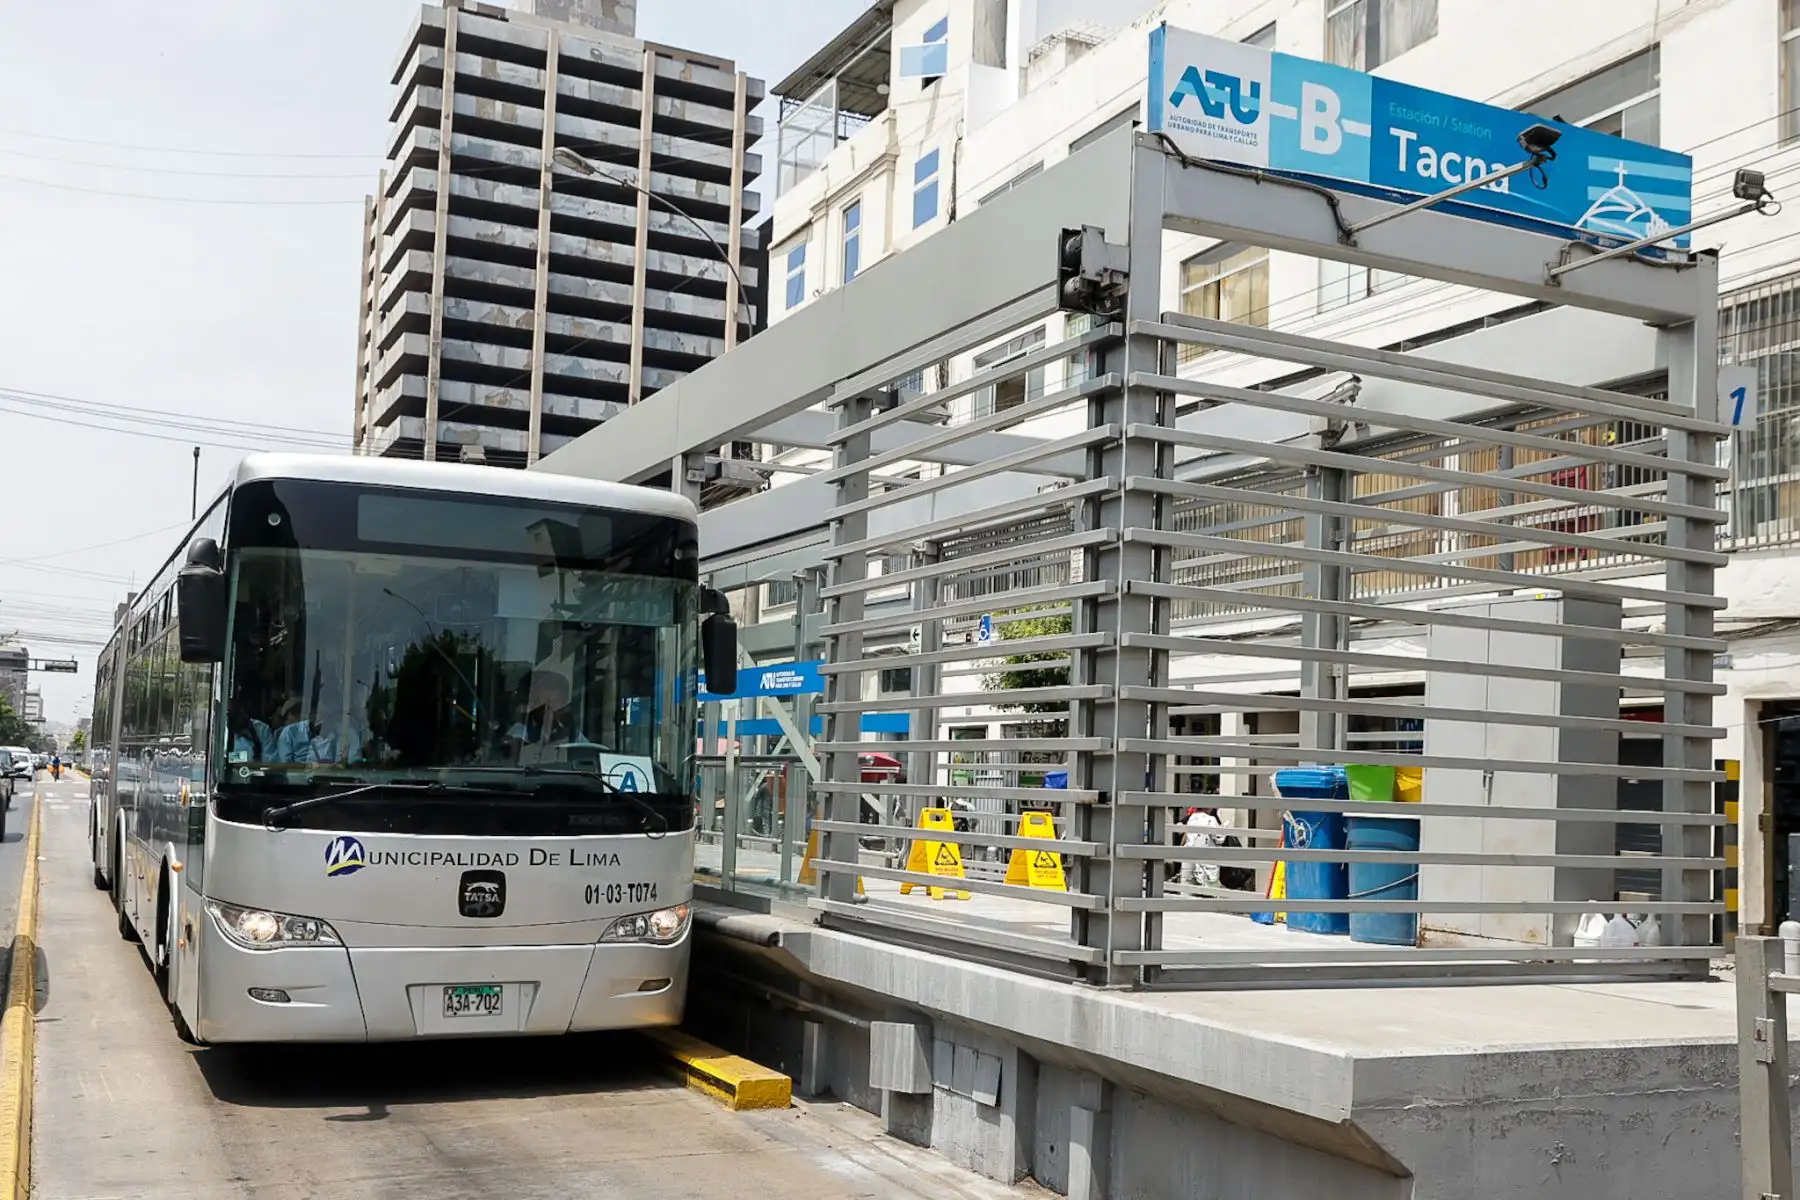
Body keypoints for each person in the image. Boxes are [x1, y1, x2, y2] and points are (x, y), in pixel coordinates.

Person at [1182, 806, 1223, 889]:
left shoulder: (1192, 818)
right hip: (1205, 864)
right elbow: (1219, 839)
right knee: (1209, 891)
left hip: (1189, 860)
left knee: (1188, 889)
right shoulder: (1210, 820)